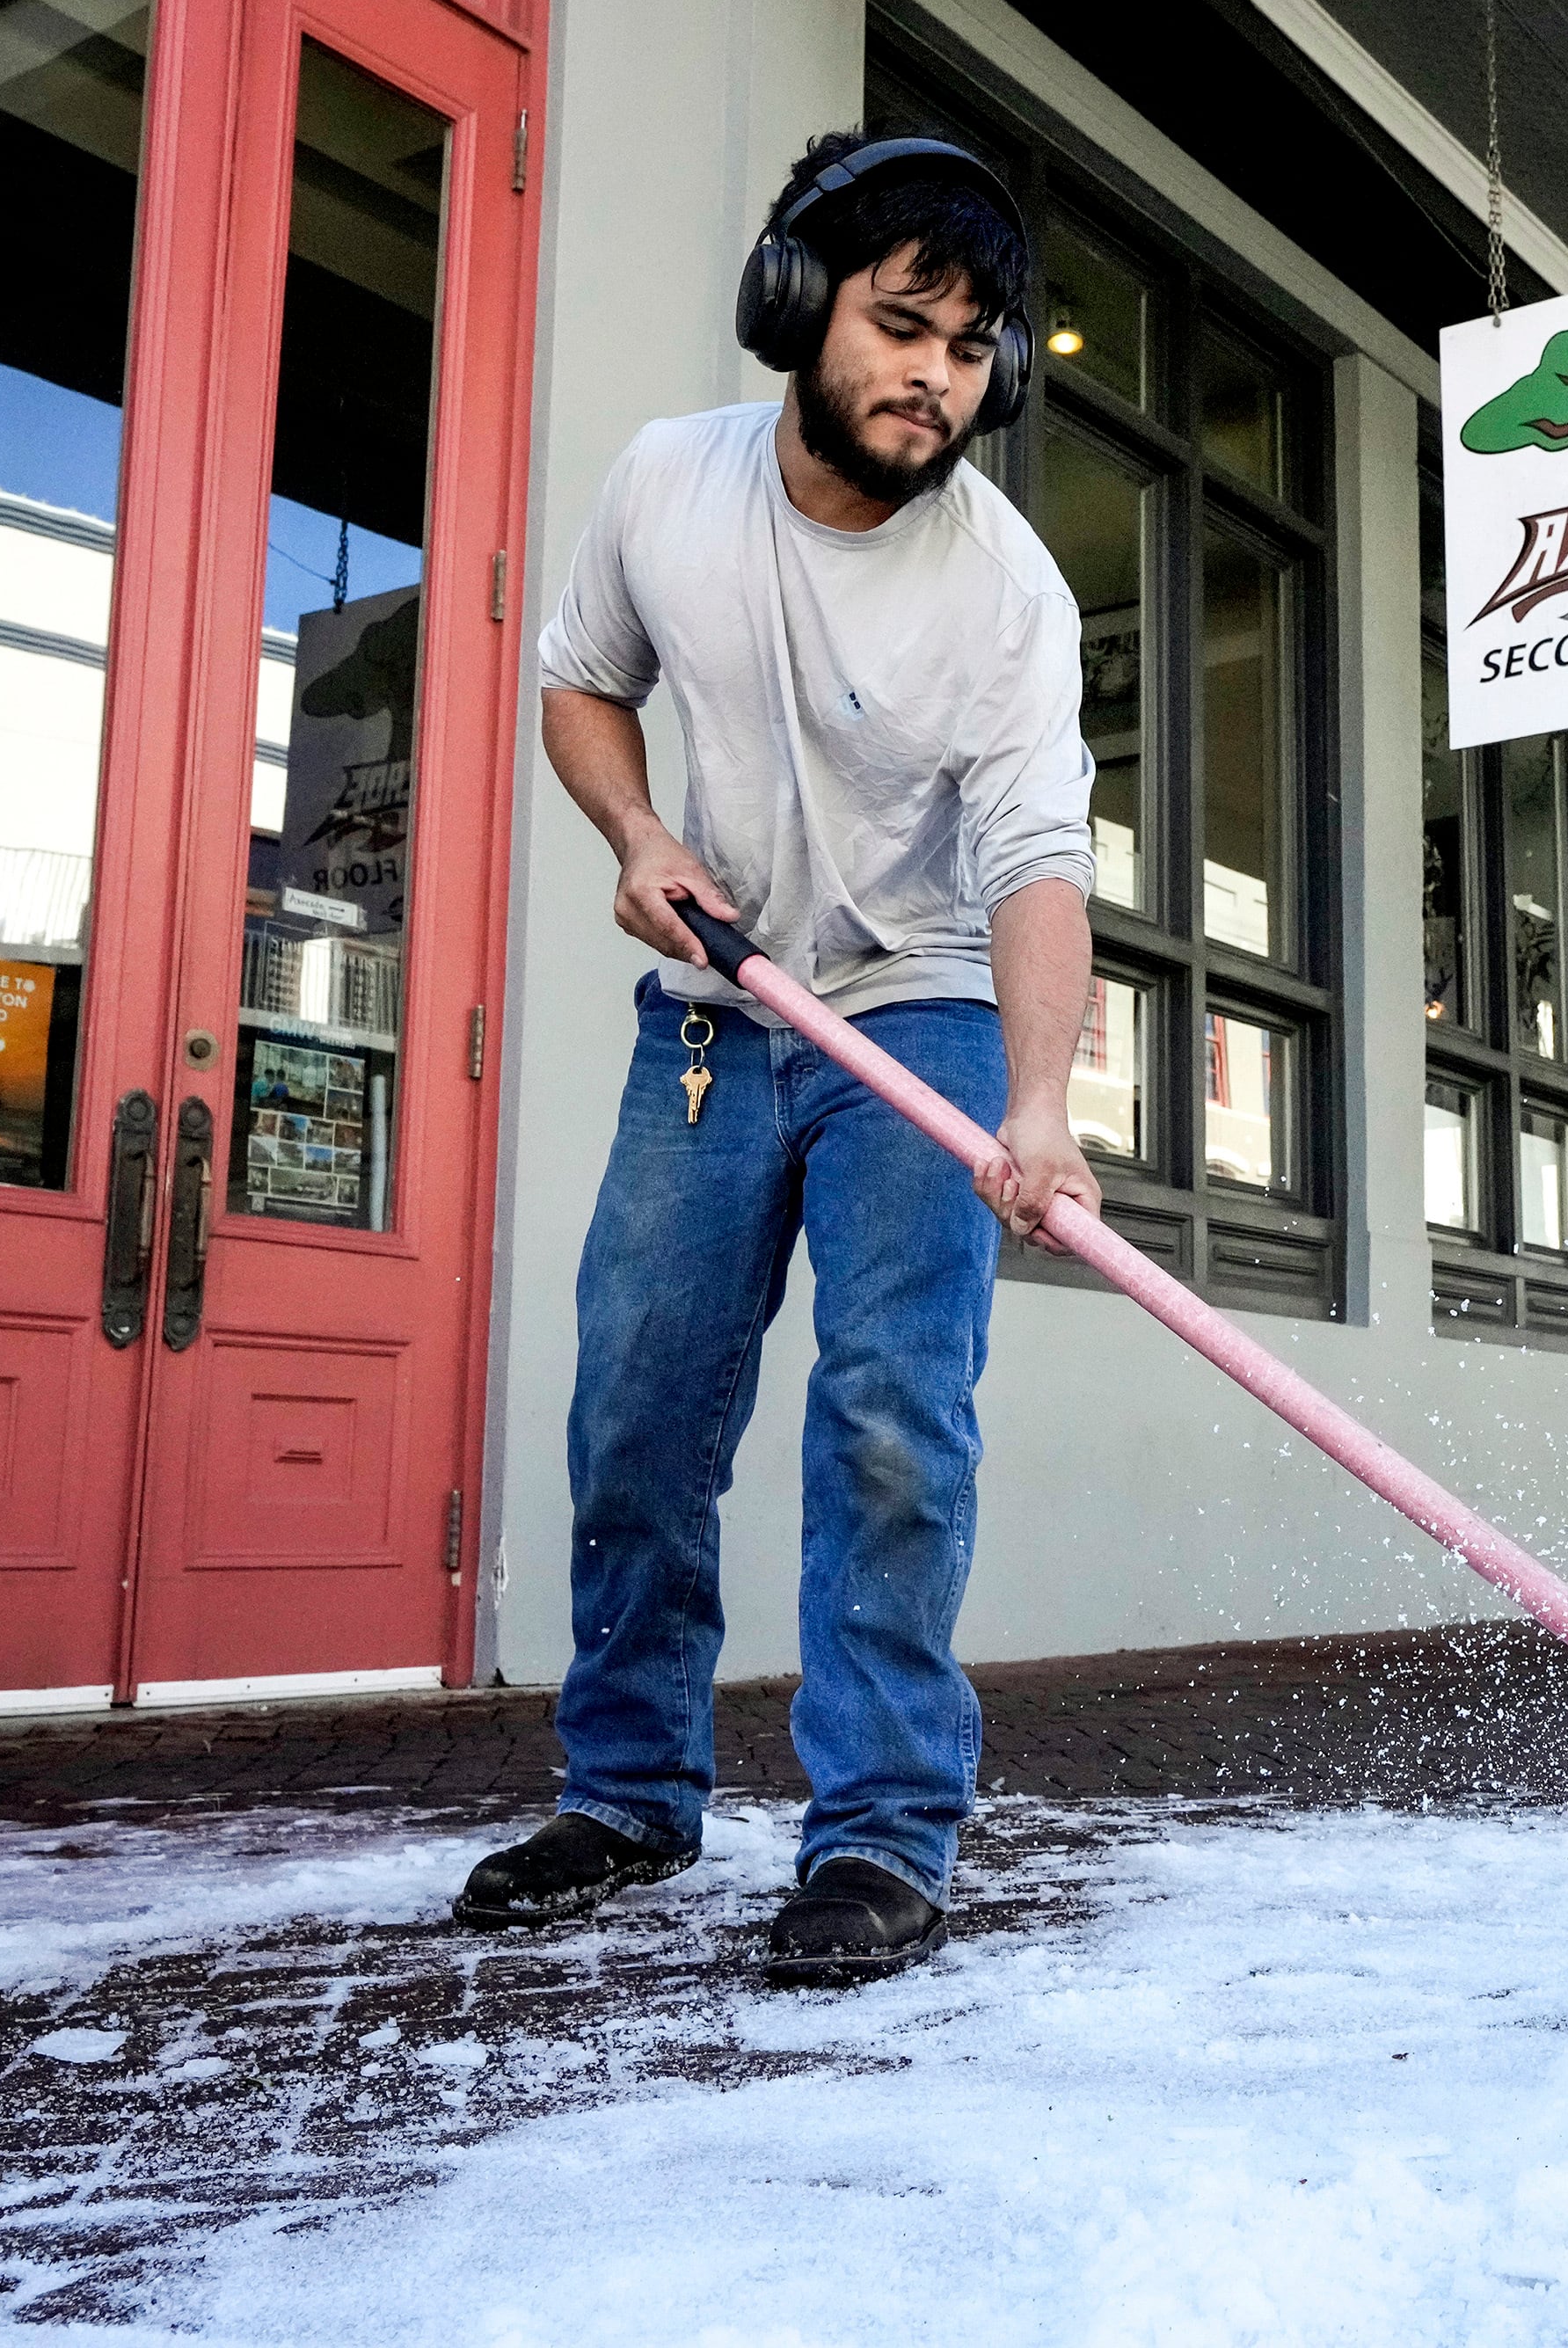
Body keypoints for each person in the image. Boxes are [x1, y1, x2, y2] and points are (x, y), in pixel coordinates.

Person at [451, 131, 1098, 1984]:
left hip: (929, 1007)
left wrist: (1039, 1105)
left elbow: (1039, 862)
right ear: (795, 302)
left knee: (895, 1414)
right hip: (720, 1014)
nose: (939, 377)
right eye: (906, 324)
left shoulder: (1005, 592)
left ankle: (884, 1831)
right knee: (641, 1401)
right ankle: (629, 1786)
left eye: (975, 346)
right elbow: (582, 679)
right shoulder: (669, 483)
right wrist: (637, 836)